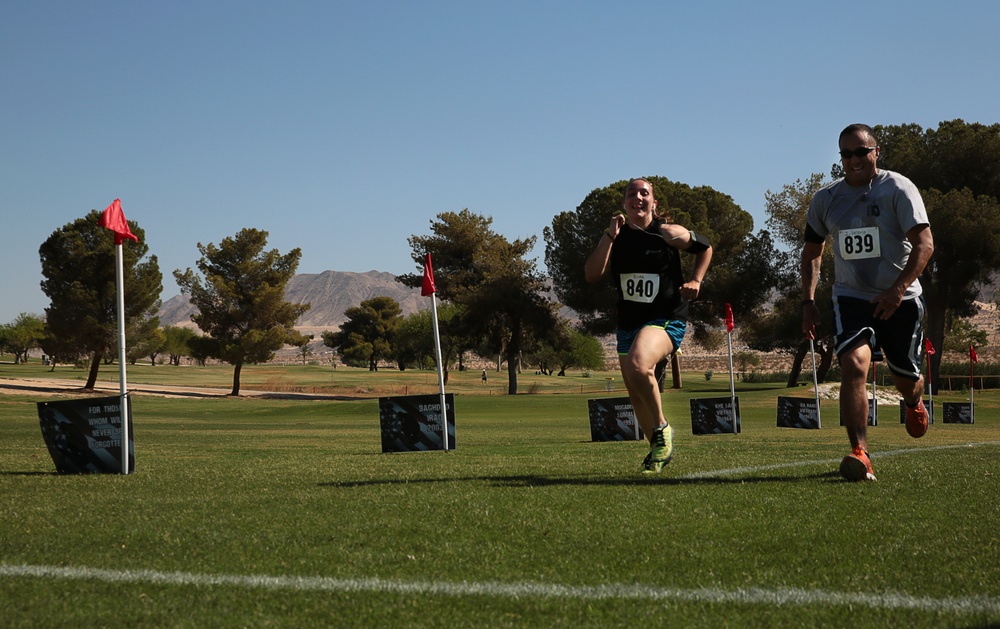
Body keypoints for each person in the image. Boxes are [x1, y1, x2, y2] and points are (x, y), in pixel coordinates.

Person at [801, 123, 935, 482]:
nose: (854, 159)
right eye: (846, 154)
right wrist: (808, 301)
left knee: (905, 378)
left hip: (901, 298)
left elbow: (924, 245)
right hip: (851, 297)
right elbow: (812, 252)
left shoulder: (898, 188)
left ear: (876, 152)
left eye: (861, 151)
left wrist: (897, 289)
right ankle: (860, 452)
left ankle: (913, 401)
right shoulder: (826, 199)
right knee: (853, 364)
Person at [585, 178, 713, 473]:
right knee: (636, 394)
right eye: (632, 193)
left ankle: (662, 429)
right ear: (624, 203)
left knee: (638, 364)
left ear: (654, 203)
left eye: (645, 193)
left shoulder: (667, 233)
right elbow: (591, 274)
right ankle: (658, 452)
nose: (638, 197)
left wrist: (696, 280)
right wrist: (609, 234)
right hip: (628, 323)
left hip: (666, 318)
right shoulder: (615, 238)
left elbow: (705, 247)